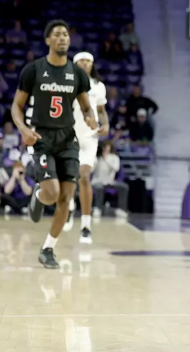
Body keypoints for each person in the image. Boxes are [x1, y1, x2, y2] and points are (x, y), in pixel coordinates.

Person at [11, 19, 97, 269]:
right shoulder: (33, 70)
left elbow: (86, 106)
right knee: (52, 194)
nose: (63, 38)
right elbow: (17, 106)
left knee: (67, 197)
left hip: (68, 140)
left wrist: (90, 117)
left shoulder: (77, 74)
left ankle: (48, 248)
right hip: (42, 138)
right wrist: (23, 129)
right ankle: (39, 195)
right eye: (58, 34)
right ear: (48, 40)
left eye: (66, 35)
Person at [71, 52, 110, 244]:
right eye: (81, 61)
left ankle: (86, 225)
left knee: (84, 177)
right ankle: (69, 206)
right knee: (68, 179)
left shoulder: (98, 86)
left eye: (88, 61)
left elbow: (101, 110)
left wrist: (106, 125)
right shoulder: (67, 83)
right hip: (69, 136)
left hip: (89, 138)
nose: (85, 63)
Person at [91, 142, 128, 218]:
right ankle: (98, 208)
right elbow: (92, 170)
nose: (106, 149)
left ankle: (121, 209)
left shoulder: (114, 157)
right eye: (104, 147)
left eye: (107, 147)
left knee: (124, 187)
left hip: (110, 181)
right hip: (98, 181)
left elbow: (116, 168)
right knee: (98, 187)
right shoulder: (96, 157)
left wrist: (106, 159)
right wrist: (96, 160)